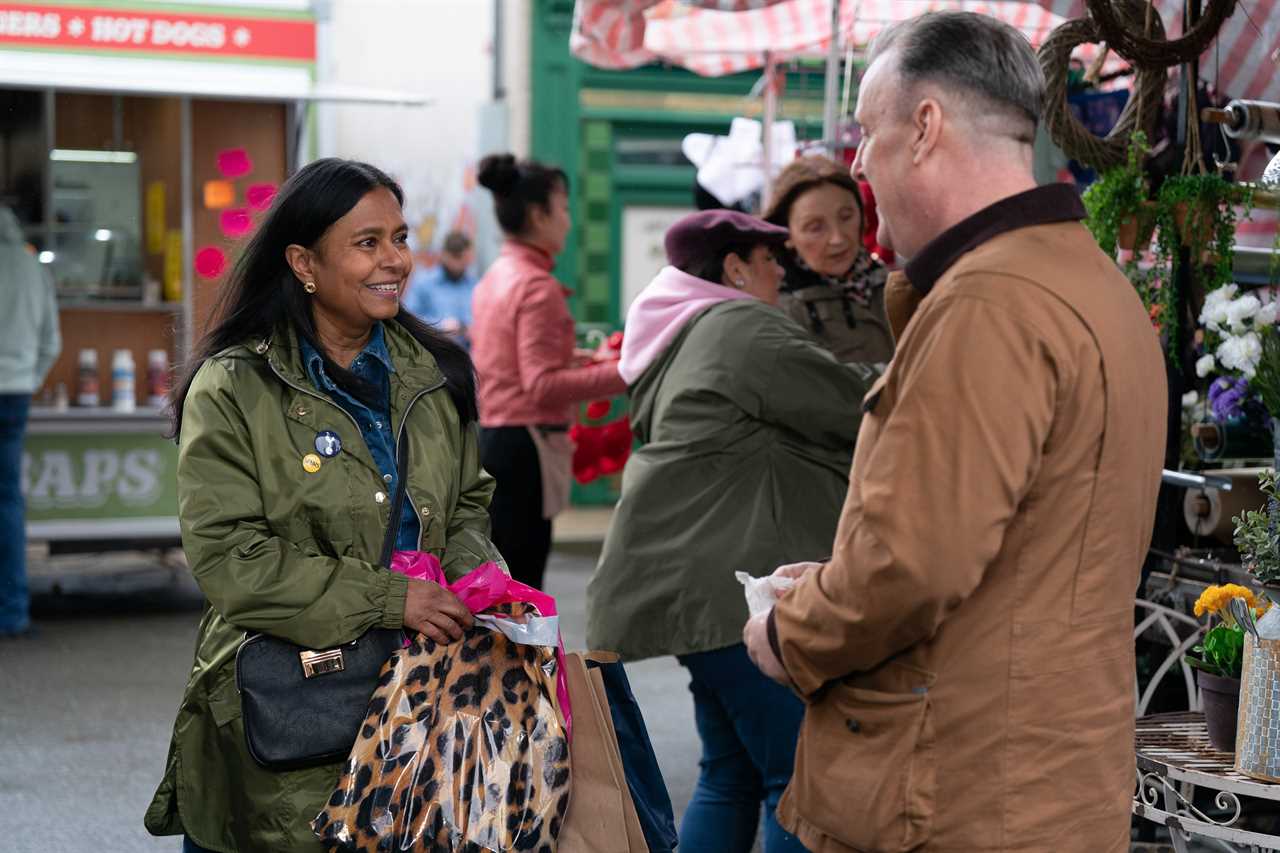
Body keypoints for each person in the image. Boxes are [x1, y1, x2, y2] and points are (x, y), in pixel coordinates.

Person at [742, 12, 1167, 853]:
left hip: (957, 791)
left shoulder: (988, 301)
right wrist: (837, 577)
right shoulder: (1088, 277)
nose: (860, 162)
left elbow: (911, 563)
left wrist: (789, 633)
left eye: (869, 133)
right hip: (1043, 779)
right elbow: (1014, 547)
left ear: (927, 126)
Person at [144, 159, 501, 853]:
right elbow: (231, 560)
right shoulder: (234, 387)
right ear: (304, 263)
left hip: (422, 701)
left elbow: (467, 506)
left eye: (399, 238)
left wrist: (479, 584)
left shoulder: (437, 375)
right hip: (288, 716)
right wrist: (391, 598)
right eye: (367, 243)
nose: (394, 260)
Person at [588, 210, 876, 853]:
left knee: (730, 772)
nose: (781, 269)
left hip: (692, 585)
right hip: (735, 589)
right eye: (768, 258)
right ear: (734, 268)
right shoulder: (742, 327)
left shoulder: (680, 329)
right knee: (797, 782)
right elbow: (849, 403)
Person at [470, 153, 625, 590]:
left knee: (507, 586)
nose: (569, 221)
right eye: (563, 209)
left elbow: (514, 365)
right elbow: (540, 384)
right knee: (523, 587)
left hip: (499, 441)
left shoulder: (499, 274)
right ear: (538, 215)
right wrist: (628, 371)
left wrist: (584, 360)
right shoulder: (536, 286)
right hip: (524, 449)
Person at [763, 155, 895, 365]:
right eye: (815, 227)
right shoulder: (776, 311)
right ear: (786, 235)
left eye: (846, 217)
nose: (837, 238)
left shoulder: (893, 286)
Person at [0, 206, 60, 639]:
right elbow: (51, 340)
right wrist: (28, 379)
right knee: (8, 502)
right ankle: (13, 611)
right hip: (16, 392)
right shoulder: (29, 263)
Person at [402, 229, 479, 347]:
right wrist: (440, 326)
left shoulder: (474, 285)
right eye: (456, 258)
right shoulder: (423, 282)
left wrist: (468, 328)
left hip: (468, 355)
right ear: (444, 255)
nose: (460, 265)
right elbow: (409, 320)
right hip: (434, 354)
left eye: (465, 259)